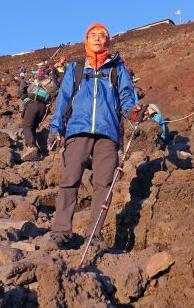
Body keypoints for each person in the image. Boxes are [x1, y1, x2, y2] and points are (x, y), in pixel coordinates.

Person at [45, 22, 146, 251]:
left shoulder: (117, 68)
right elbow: (63, 101)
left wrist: (135, 113)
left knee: (104, 185)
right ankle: (61, 232)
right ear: (86, 40)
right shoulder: (75, 68)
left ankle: (95, 235)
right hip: (77, 130)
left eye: (102, 35)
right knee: (69, 180)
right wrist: (55, 128)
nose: (98, 38)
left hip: (108, 133)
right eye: (93, 35)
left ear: (107, 41)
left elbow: (127, 100)